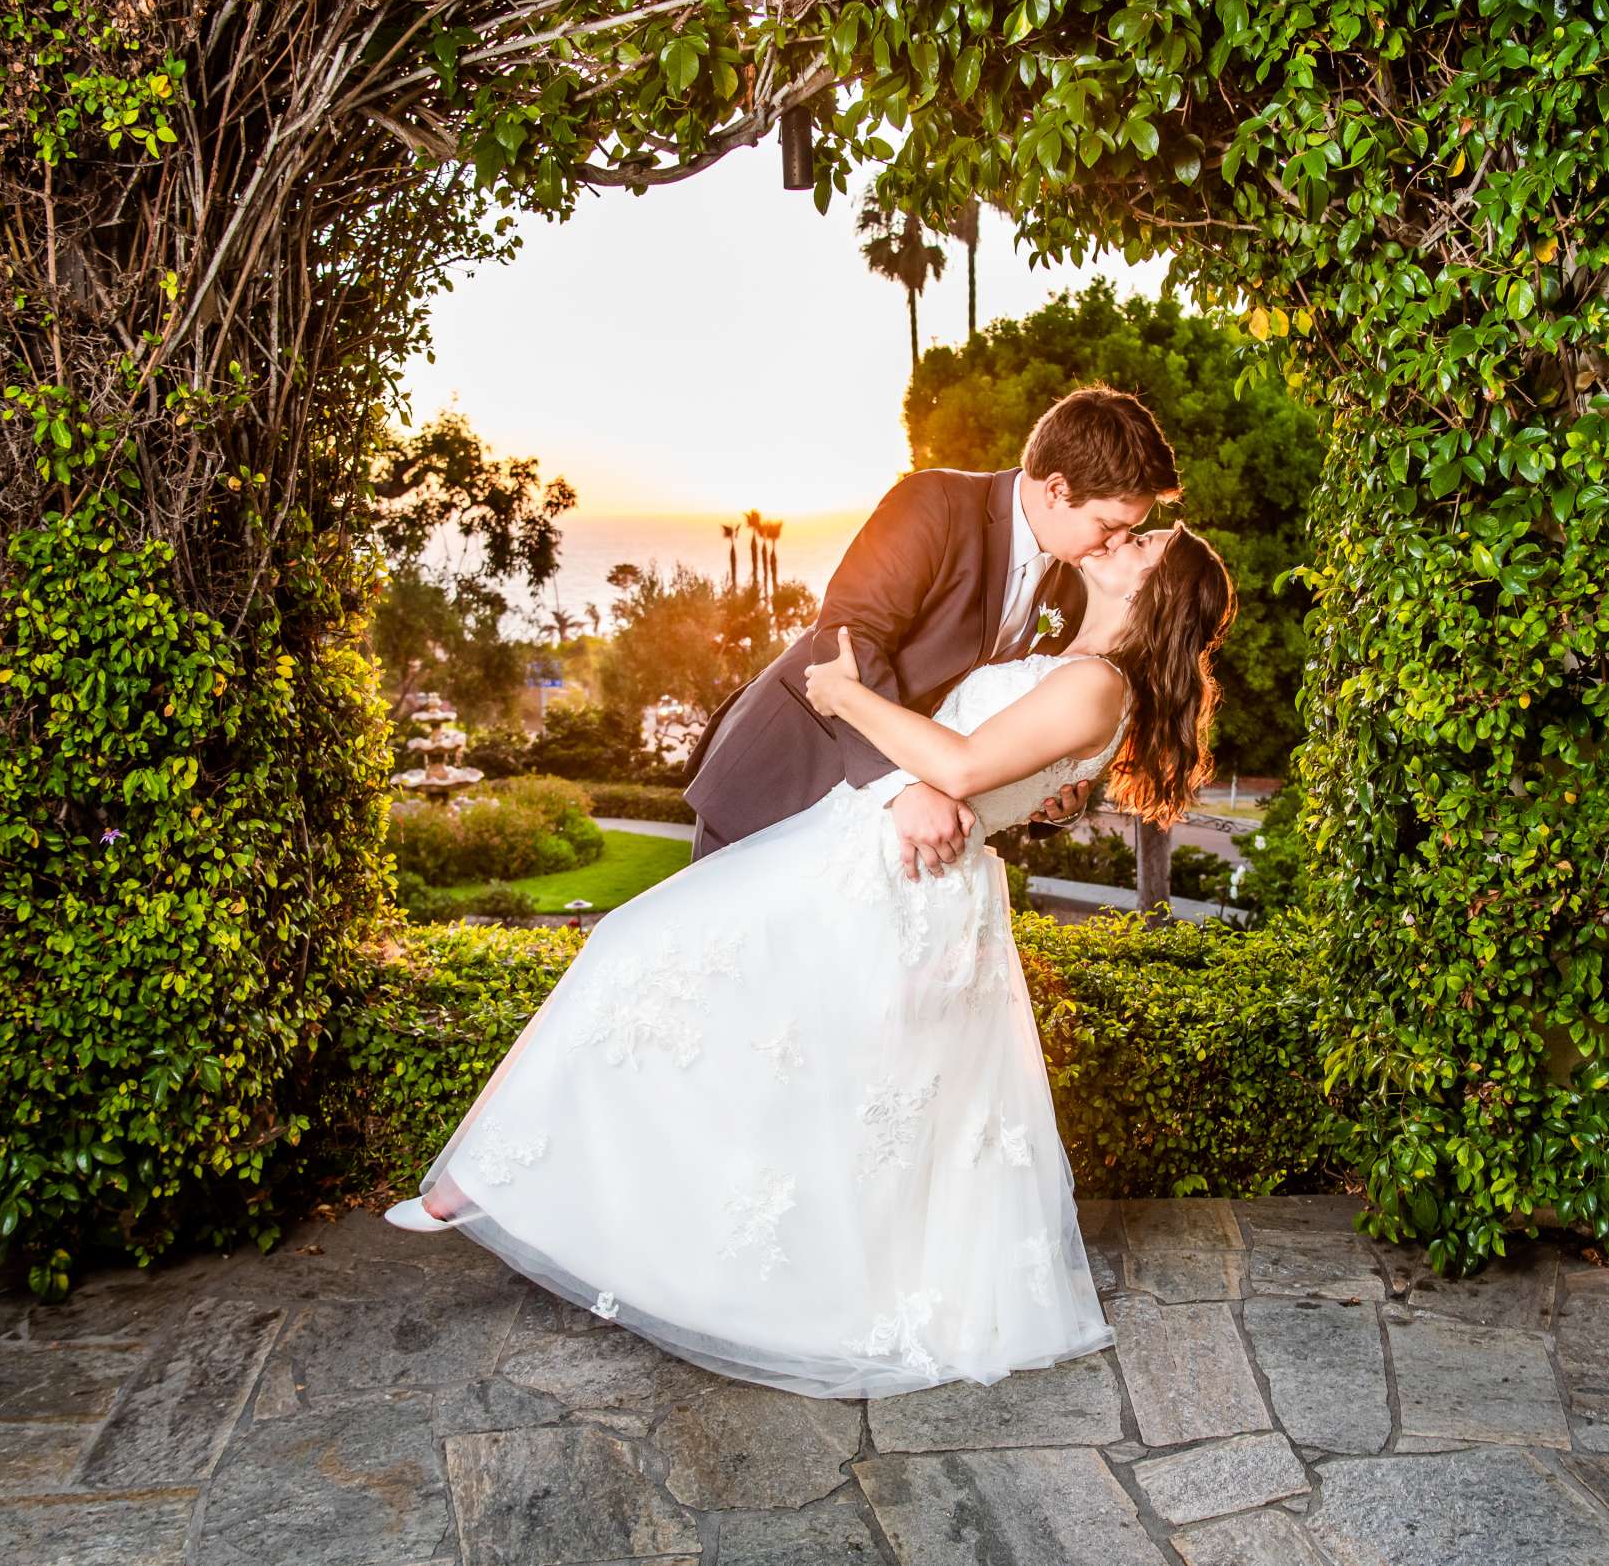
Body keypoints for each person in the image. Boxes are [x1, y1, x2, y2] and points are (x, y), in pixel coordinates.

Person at [381, 521, 1236, 1400]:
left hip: (898, 881)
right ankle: (501, 1184)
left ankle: (517, 1197)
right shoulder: (1072, 665)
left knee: (705, 999)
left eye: (1145, 543)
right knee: (726, 1020)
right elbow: (999, 768)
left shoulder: (1097, 682)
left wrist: (842, 692)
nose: (1123, 535)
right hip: (866, 854)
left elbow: (964, 763)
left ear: (1152, 591)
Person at [681, 384, 1183, 876]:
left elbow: (1014, 721)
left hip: (882, 844)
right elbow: (848, 635)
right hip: (790, 768)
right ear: (1056, 489)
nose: (1118, 542)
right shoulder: (935, 502)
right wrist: (901, 785)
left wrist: (1054, 799)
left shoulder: (1075, 587)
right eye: (1107, 525)